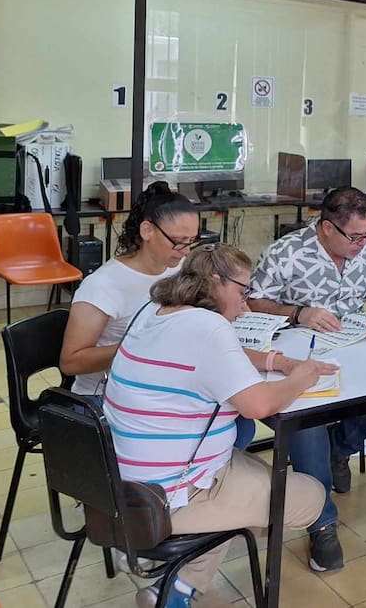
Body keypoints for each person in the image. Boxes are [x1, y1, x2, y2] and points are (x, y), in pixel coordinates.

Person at [103, 245, 333, 608]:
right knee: (310, 498)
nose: (245, 306)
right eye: (242, 293)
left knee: (248, 476)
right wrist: (301, 376)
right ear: (215, 281)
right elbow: (260, 405)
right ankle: (172, 583)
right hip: (168, 494)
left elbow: (227, 357)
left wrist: (277, 360)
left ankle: (175, 589)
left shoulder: (155, 310)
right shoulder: (208, 327)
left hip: (118, 478)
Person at [247, 186, 366, 498]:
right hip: (299, 350)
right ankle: (319, 514)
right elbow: (254, 302)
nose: (363, 243)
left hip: (354, 343)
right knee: (307, 419)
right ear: (328, 227)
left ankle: (339, 449)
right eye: (354, 236)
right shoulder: (286, 252)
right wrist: (299, 312)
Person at [60, 182, 199, 399]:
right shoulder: (103, 285)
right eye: (179, 242)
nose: (185, 251)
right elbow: (71, 362)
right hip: (105, 394)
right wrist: (141, 346)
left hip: (160, 383)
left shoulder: (179, 268)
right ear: (147, 231)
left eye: (191, 241)